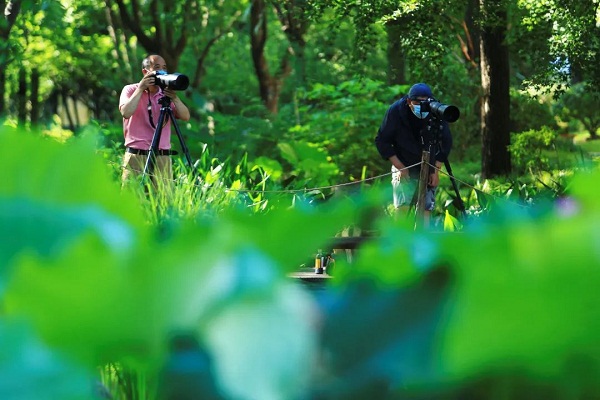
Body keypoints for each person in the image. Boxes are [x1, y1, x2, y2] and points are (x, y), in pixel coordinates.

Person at [374, 83, 453, 224]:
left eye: (425, 101)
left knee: (426, 208)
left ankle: (422, 242)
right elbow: (382, 141)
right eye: (417, 102)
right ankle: (400, 243)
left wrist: (436, 169)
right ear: (409, 101)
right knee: (403, 206)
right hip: (403, 162)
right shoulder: (396, 111)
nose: (421, 106)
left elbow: (446, 142)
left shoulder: (436, 110)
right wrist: (400, 167)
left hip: (429, 165)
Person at [119, 54, 191, 186]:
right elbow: (126, 112)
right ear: (145, 72)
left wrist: (175, 98)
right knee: (131, 201)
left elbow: (185, 116)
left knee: (164, 201)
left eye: (164, 68)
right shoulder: (130, 89)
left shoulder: (165, 94)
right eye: (157, 68)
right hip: (136, 155)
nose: (162, 71)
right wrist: (141, 88)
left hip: (162, 157)